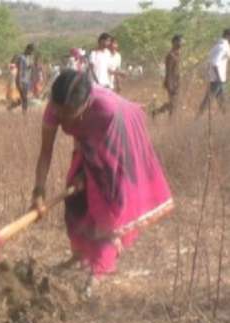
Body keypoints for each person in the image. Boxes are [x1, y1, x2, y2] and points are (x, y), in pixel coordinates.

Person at [32, 70, 173, 295]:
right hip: (89, 141)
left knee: (107, 204)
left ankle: (100, 268)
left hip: (121, 131)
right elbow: (45, 152)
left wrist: (87, 177)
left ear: (86, 104)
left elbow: (104, 162)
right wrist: (38, 192)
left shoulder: (106, 111)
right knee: (75, 199)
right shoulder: (55, 108)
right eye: (58, 109)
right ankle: (79, 255)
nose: (61, 116)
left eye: (68, 113)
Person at [198, 28, 230, 117]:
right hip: (217, 79)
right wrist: (219, 78)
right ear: (228, 36)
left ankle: (225, 120)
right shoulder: (223, 47)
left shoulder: (217, 45)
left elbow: (209, 60)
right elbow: (215, 63)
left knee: (222, 100)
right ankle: (197, 119)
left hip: (215, 78)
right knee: (208, 100)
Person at [152, 35, 183, 118]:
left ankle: (157, 112)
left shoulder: (178, 54)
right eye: (179, 41)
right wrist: (170, 85)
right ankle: (159, 113)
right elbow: (168, 72)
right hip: (171, 82)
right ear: (174, 42)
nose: (181, 43)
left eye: (182, 41)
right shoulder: (171, 55)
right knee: (173, 103)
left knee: (175, 103)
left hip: (176, 82)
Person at [14, 44, 35, 113]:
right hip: (21, 80)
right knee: (24, 97)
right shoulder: (21, 58)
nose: (31, 53)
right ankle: (24, 112)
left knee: (23, 97)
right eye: (31, 51)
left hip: (26, 80)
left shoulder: (28, 58)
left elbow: (27, 68)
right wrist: (19, 81)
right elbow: (19, 70)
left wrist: (30, 66)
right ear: (27, 49)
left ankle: (11, 106)